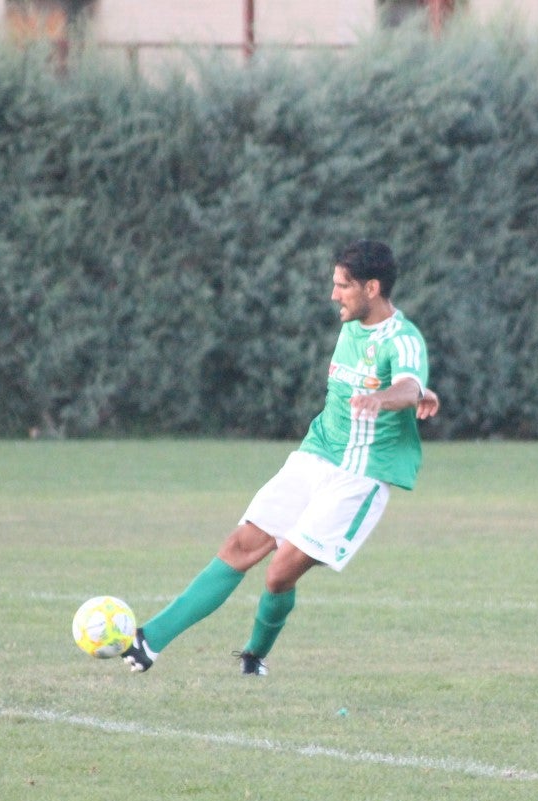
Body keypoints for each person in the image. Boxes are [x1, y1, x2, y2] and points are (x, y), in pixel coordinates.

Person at [122, 239, 440, 676]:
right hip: (317, 453)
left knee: (278, 573)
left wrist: (391, 397)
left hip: (360, 476)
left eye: (342, 286)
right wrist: (414, 392)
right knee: (239, 546)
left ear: (372, 287)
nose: (333, 295)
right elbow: (411, 387)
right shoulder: (351, 324)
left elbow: (406, 382)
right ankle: (149, 640)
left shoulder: (403, 340)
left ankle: (254, 656)